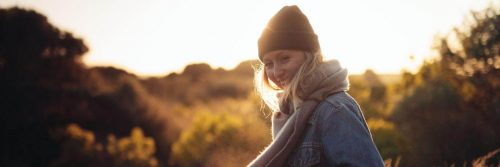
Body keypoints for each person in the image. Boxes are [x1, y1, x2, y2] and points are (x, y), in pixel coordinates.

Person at [248, 5, 385, 167]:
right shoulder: (287, 113)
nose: (276, 72)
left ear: (309, 57)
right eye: (269, 64)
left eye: (285, 58)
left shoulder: (334, 109)